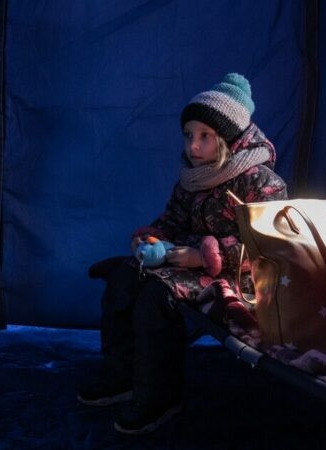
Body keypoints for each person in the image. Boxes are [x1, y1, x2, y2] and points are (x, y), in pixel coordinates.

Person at [78, 73, 288, 434]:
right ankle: (121, 376)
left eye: (206, 136)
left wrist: (206, 256)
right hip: (183, 261)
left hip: (237, 274)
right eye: (189, 135)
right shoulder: (192, 177)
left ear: (230, 139)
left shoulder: (261, 181)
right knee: (123, 280)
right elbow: (173, 219)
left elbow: (269, 248)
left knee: (155, 300)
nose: (194, 145)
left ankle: (159, 396)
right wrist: (154, 237)